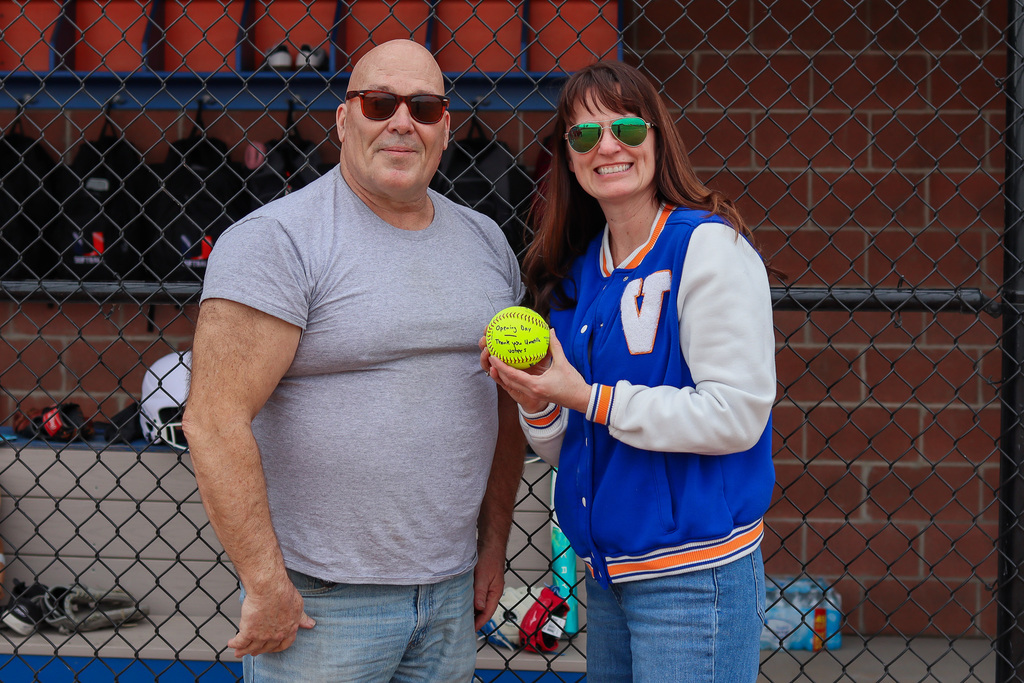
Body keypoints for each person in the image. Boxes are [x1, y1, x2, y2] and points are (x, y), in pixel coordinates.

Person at [183, 39, 525, 683]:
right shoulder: (277, 240)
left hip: (450, 593)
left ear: (445, 128)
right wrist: (266, 583)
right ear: (344, 120)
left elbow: (501, 405)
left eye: (424, 107)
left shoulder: (485, 241)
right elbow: (213, 419)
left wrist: (493, 545)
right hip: (322, 604)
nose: (402, 122)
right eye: (379, 104)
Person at [481, 61, 776, 682]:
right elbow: (575, 447)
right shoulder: (577, 272)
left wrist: (589, 396)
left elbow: (737, 416)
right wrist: (537, 398)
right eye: (585, 134)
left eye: (628, 128)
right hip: (609, 576)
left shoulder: (708, 247)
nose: (608, 146)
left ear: (658, 138)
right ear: (568, 157)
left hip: (695, 576)